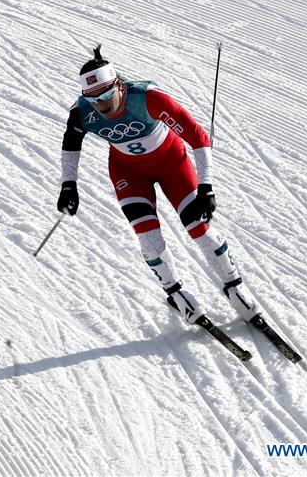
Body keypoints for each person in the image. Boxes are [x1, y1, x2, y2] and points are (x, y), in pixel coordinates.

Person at [56, 44, 259, 325]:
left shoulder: (148, 98)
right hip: (128, 171)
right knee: (148, 237)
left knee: (199, 228)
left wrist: (206, 185)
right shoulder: (82, 112)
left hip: (171, 164)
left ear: (119, 86)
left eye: (105, 94)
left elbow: (198, 137)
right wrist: (69, 185)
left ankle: (235, 286)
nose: (101, 104)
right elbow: (71, 144)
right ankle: (176, 293)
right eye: (92, 98)